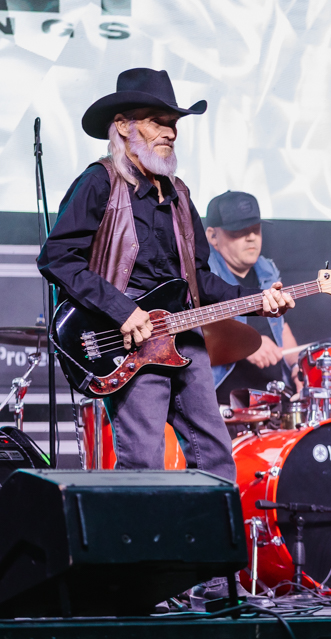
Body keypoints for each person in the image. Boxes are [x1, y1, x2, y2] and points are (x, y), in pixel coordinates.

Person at [38, 67, 295, 481]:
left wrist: (255, 300)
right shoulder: (99, 182)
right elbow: (57, 257)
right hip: (127, 342)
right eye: (158, 121)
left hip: (184, 338)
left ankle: (209, 545)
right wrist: (123, 311)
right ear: (123, 126)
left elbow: (198, 280)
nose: (170, 132)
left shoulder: (180, 196)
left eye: (174, 124)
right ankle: (145, 547)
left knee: (215, 459)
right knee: (144, 463)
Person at [204, 190, 302, 404]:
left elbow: (282, 327)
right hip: (221, 402)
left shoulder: (267, 269)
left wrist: (297, 368)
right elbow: (189, 337)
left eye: (255, 230)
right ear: (213, 236)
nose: (251, 237)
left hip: (272, 396)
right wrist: (245, 345)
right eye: (238, 231)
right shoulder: (202, 274)